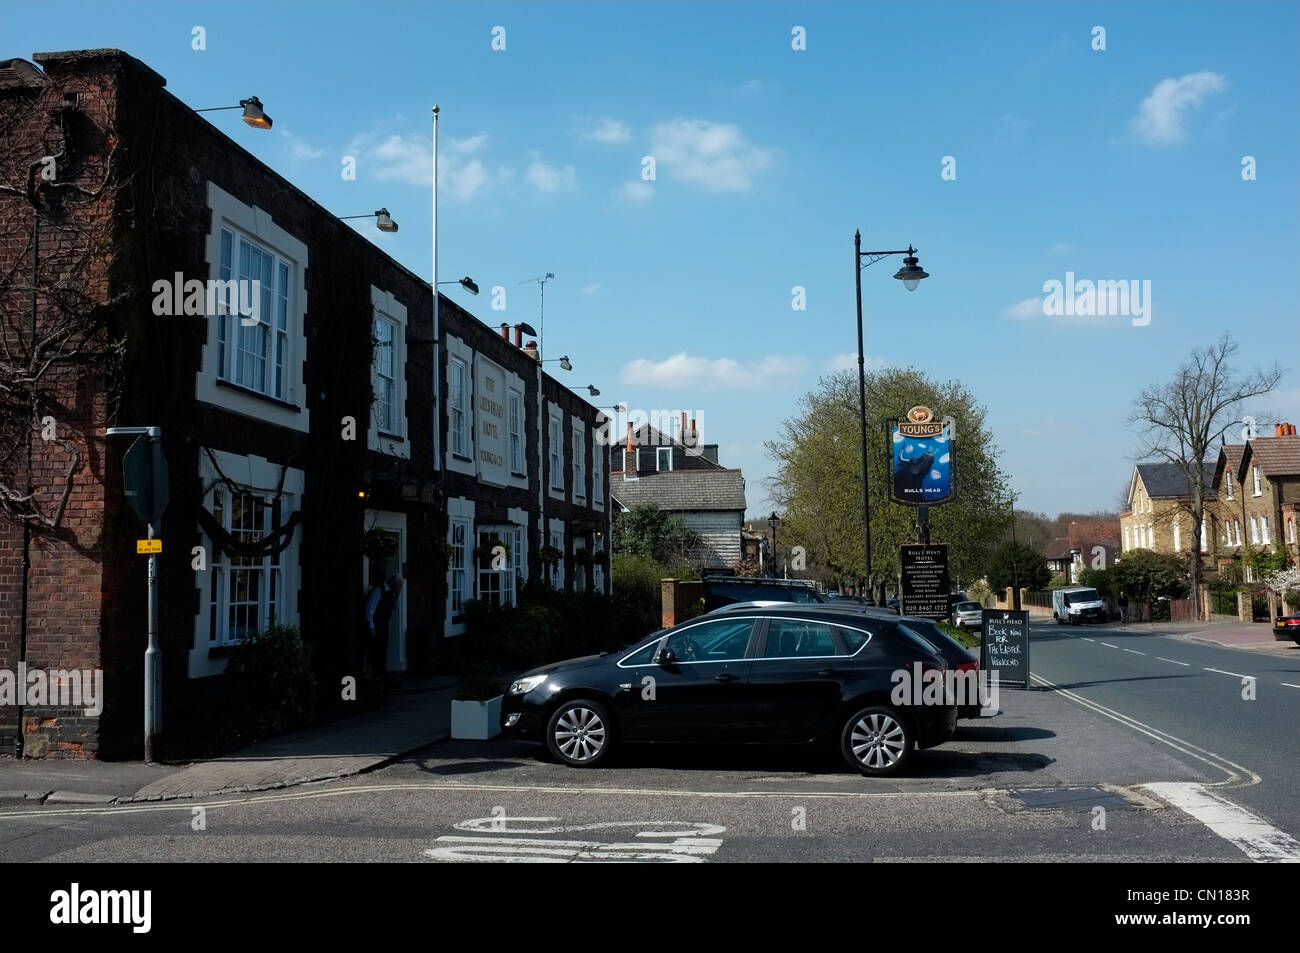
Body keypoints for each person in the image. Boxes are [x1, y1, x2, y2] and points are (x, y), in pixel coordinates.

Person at [365, 574, 403, 690]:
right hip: (376, 625)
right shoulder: (379, 590)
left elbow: (395, 607)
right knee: (376, 650)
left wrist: (397, 595)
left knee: (383, 649)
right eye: (399, 585)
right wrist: (371, 626)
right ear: (392, 583)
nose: (399, 588)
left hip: (384, 624)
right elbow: (370, 608)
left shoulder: (391, 592)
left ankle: (382, 675)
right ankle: (376, 676)